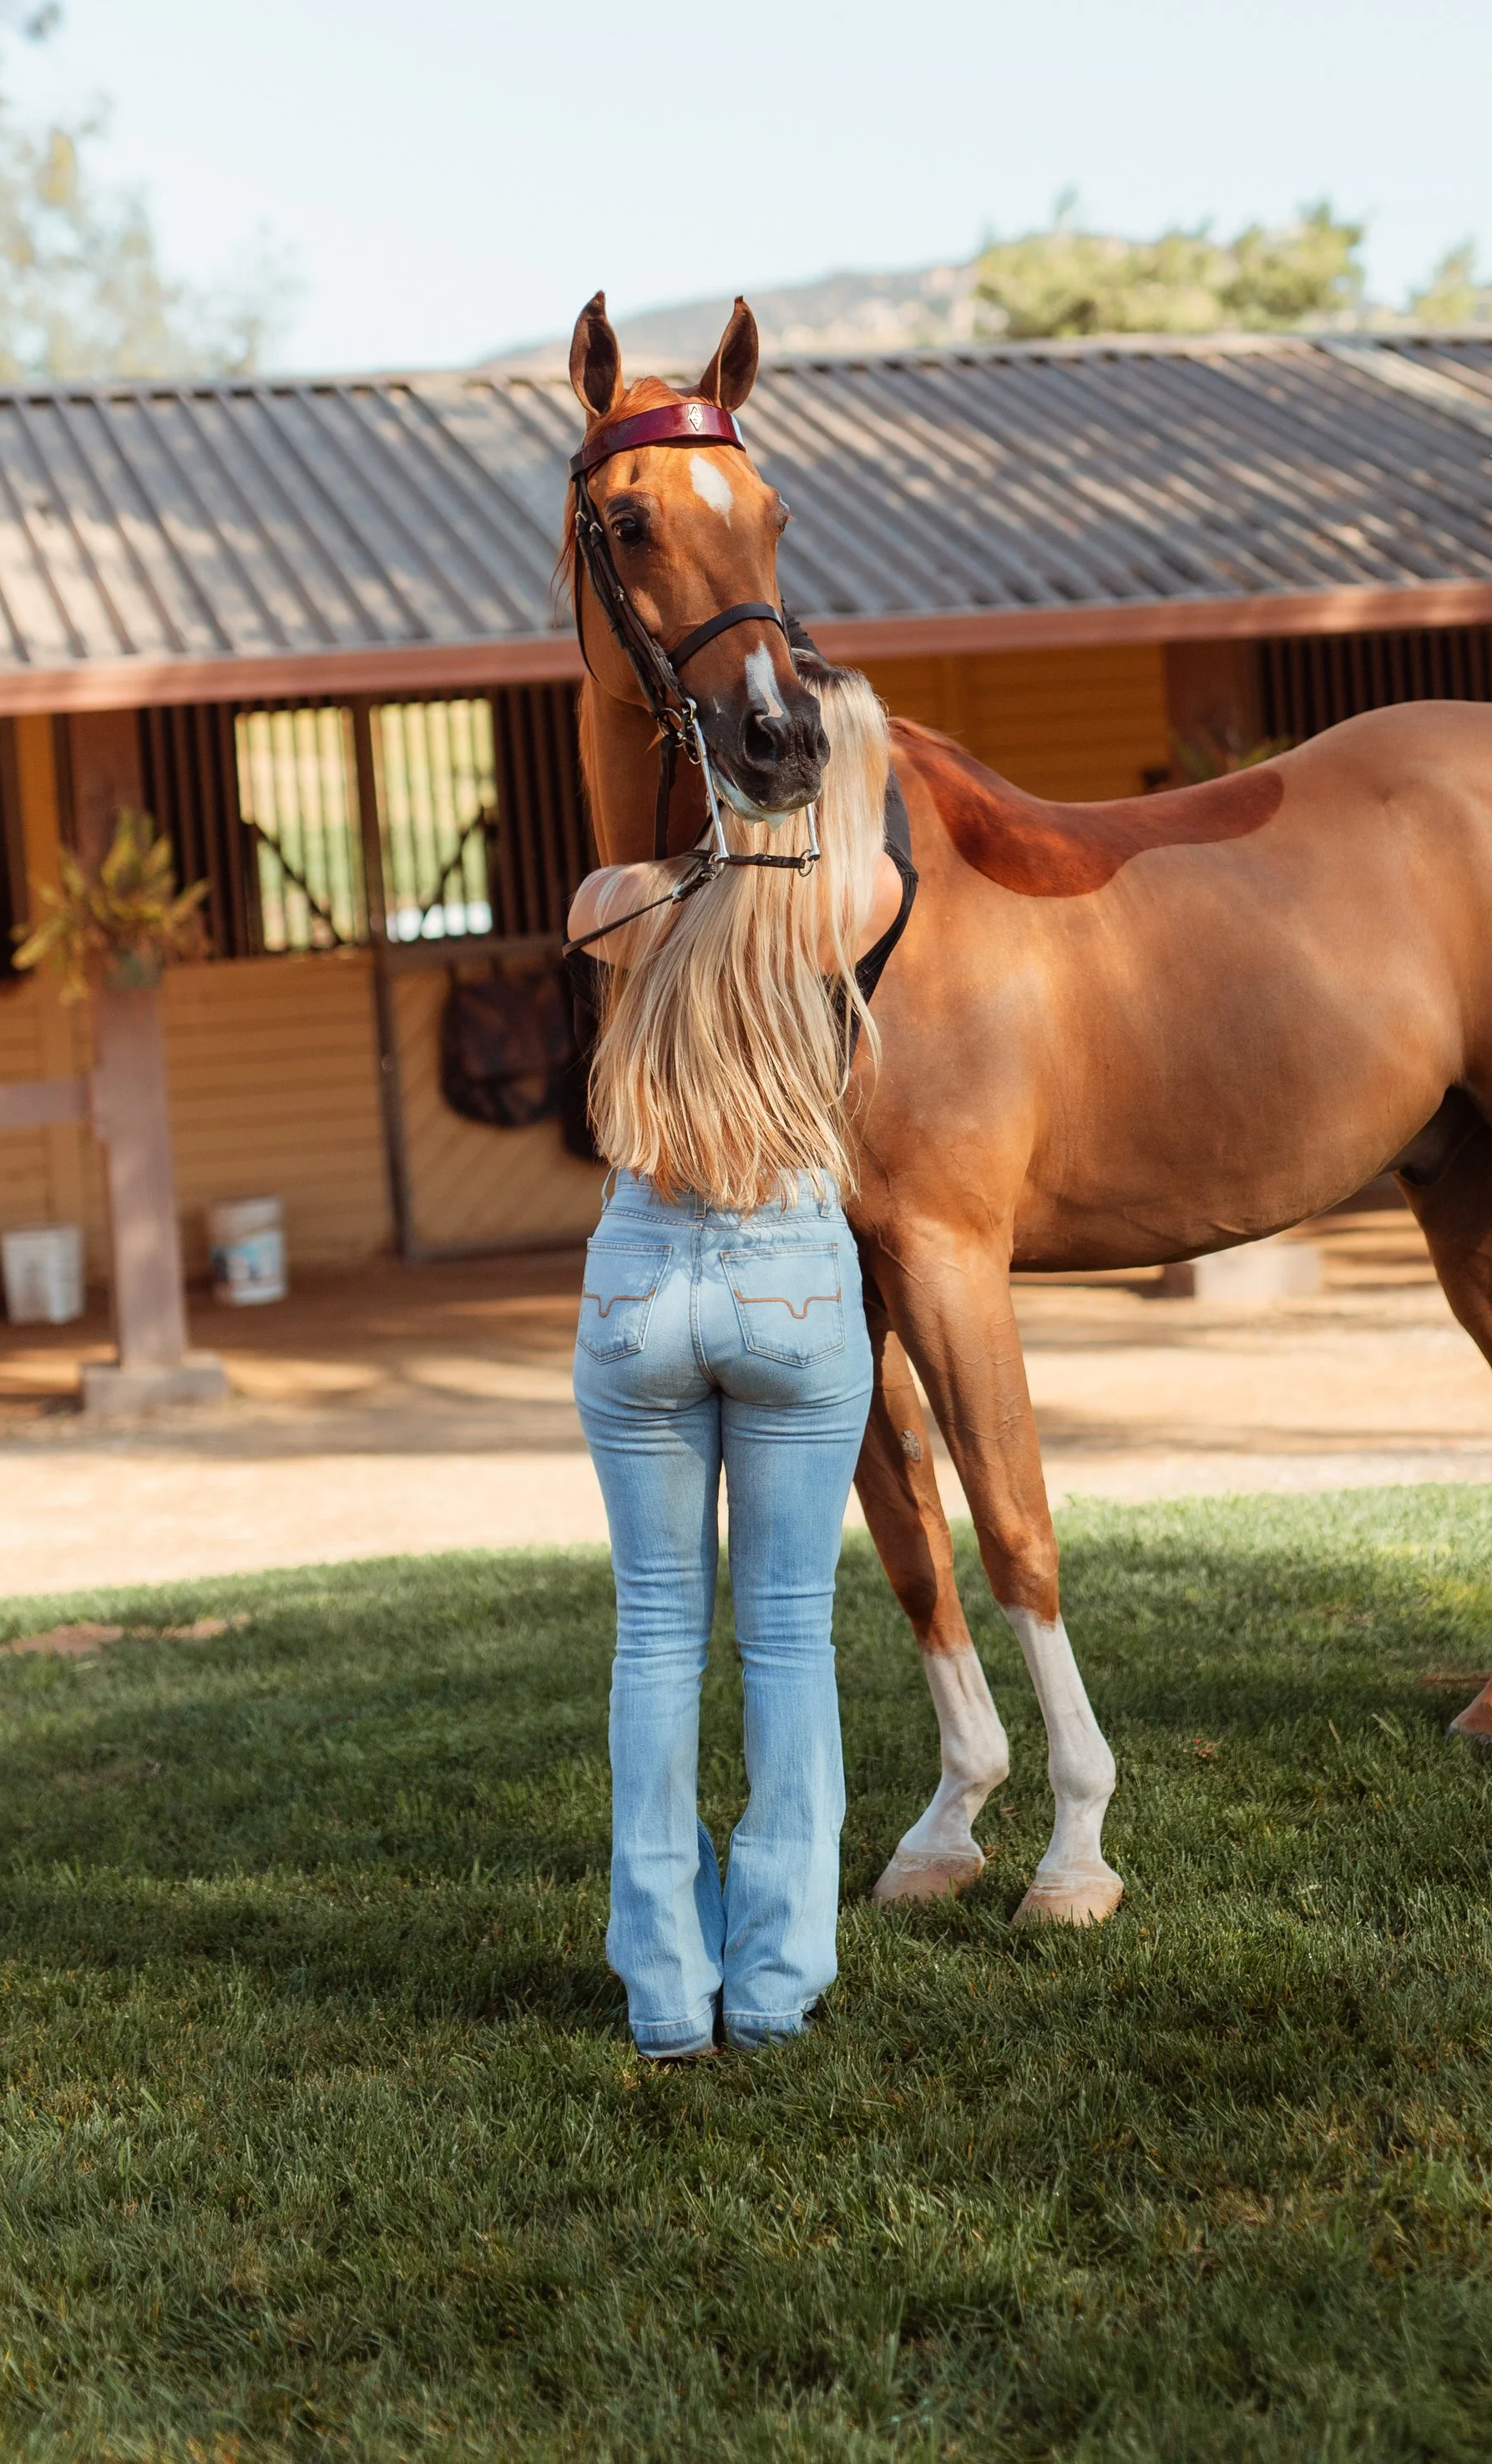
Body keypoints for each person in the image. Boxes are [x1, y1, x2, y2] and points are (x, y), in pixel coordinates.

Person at [566, 669, 908, 2062]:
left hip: (640, 1267)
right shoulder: (854, 901)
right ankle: (769, 1990)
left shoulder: (622, 904)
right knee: (787, 1635)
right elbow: (857, 842)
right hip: (788, 1265)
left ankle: (664, 1997)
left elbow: (627, 891)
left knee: (654, 1631)